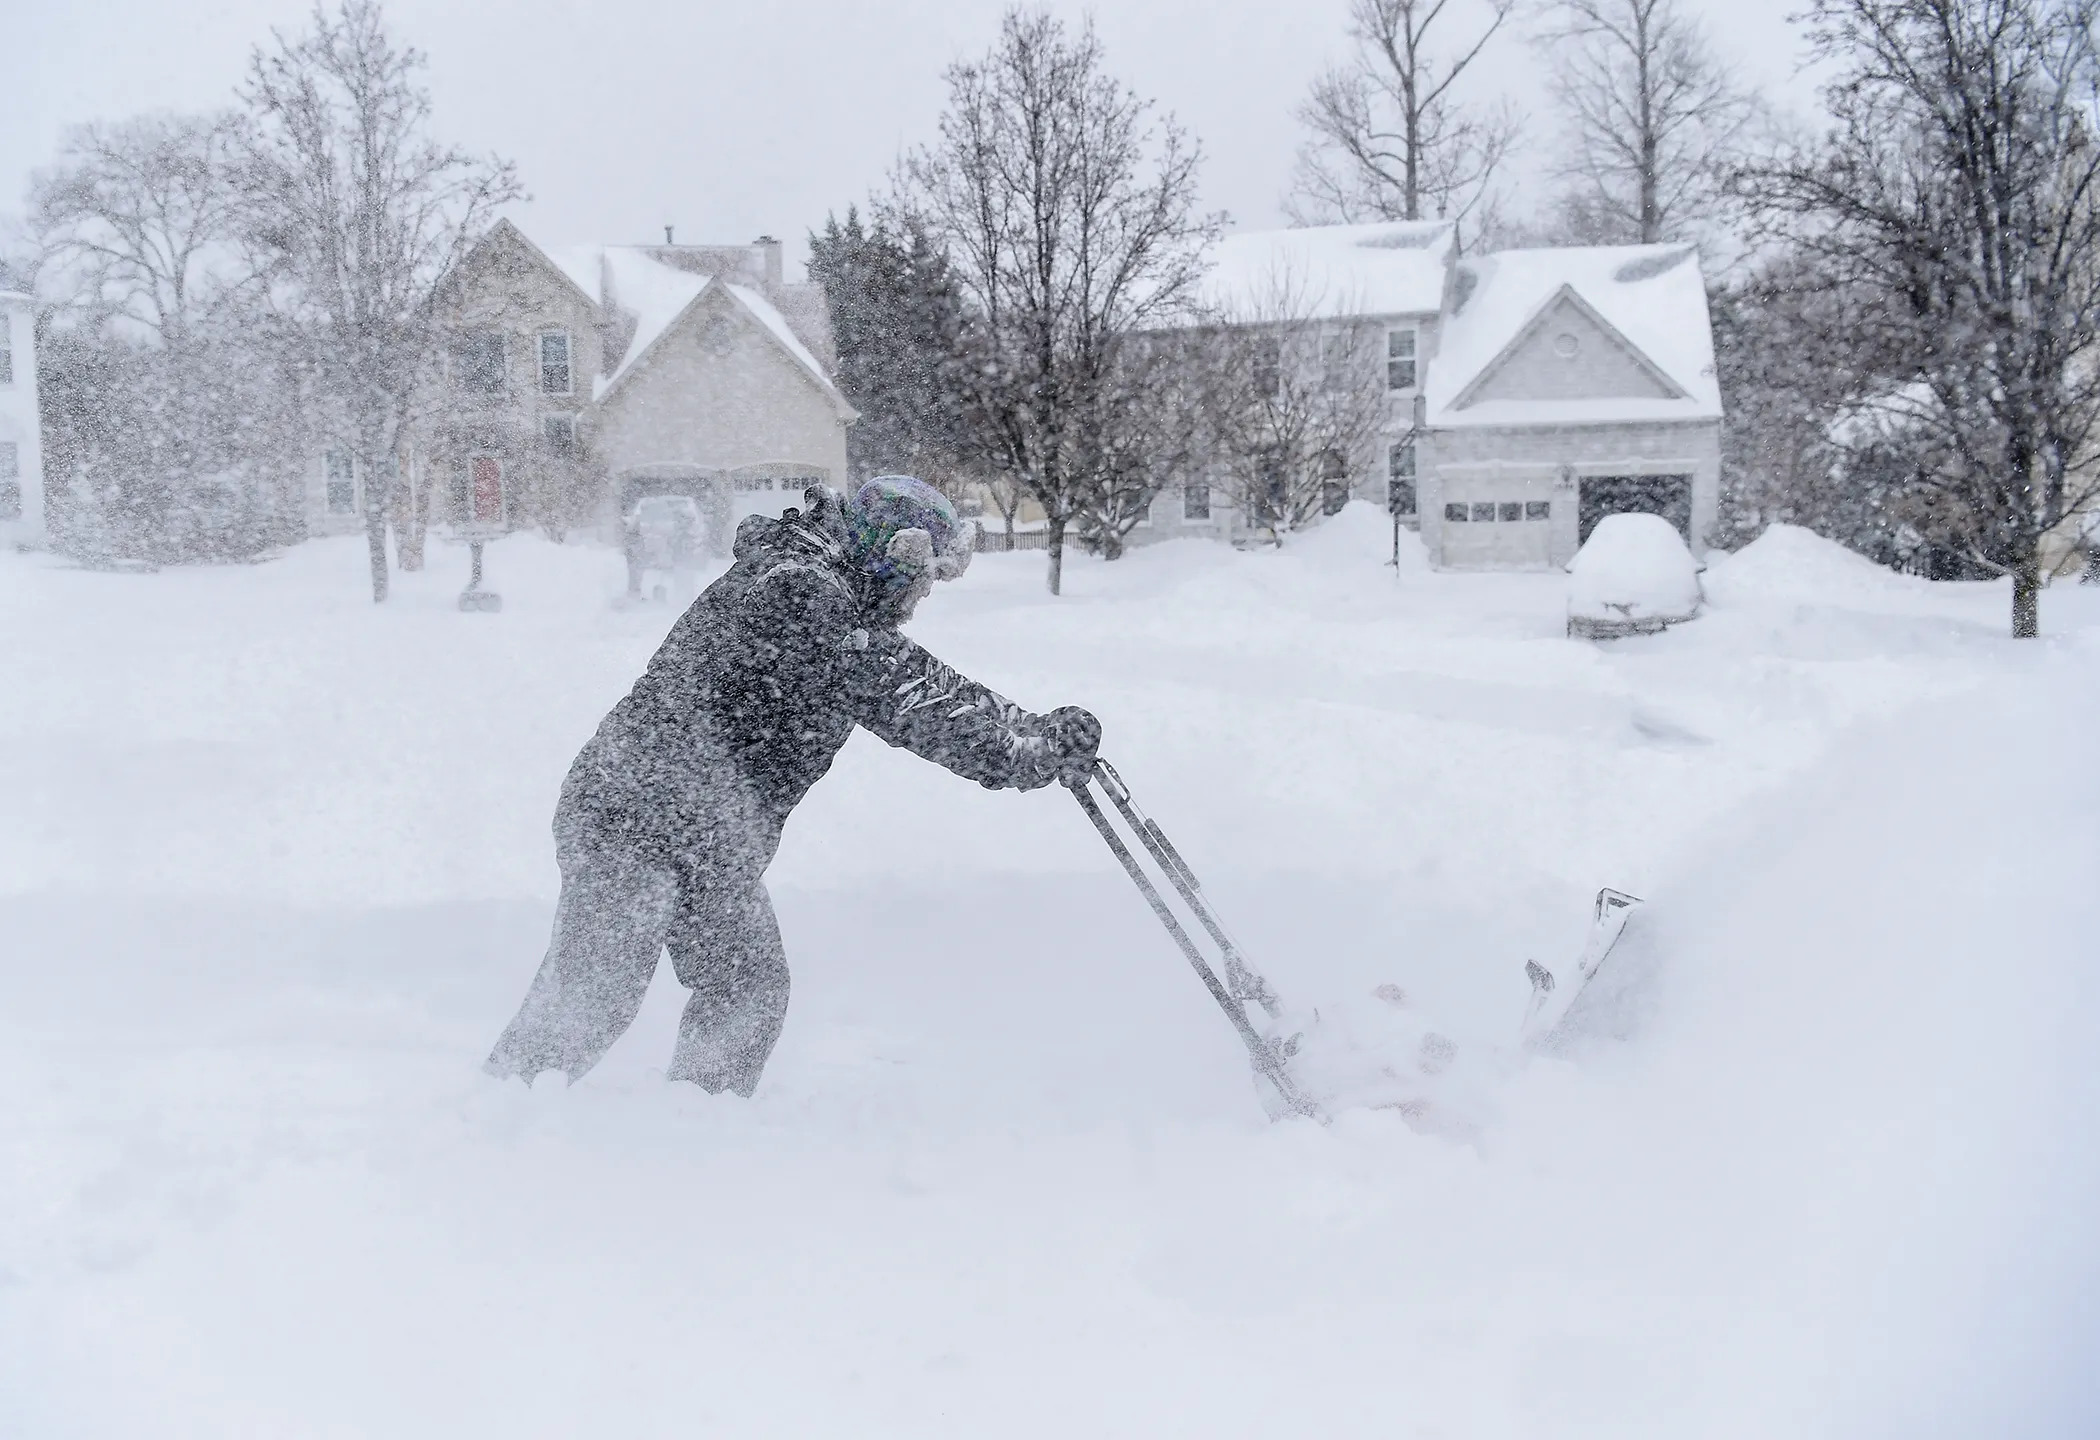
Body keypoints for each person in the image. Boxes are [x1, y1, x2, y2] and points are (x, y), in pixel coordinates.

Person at [485, 476, 1102, 1095]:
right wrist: (1024, 757)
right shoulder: (798, 590)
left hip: (709, 836)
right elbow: (911, 706)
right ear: (891, 557)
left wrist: (1032, 727)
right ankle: (503, 1113)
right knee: (598, 989)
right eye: (924, 576)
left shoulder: (833, 594)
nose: (923, 594)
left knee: (748, 985)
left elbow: (921, 676)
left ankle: (697, 1123)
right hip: (634, 812)